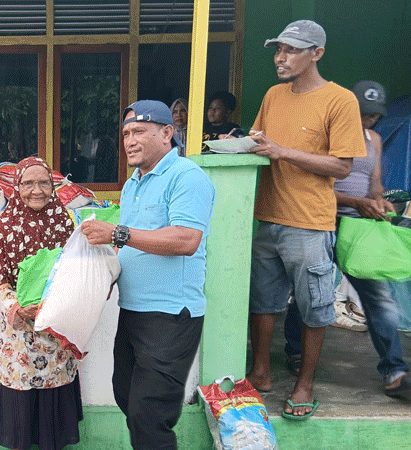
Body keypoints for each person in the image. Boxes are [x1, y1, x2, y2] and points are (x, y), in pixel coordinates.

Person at [245, 20, 366, 420]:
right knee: (261, 303)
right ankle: (261, 372)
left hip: (309, 222)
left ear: (317, 53)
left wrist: (282, 152)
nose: (281, 58)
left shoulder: (340, 100)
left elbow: (343, 166)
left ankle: (305, 384)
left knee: (314, 306)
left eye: (292, 50)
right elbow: (260, 142)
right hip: (267, 217)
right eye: (279, 50)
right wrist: (240, 144)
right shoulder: (273, 95)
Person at [81, 100, 215, 449]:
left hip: (170, 315)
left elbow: (186, 239)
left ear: (167, 133)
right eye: (126, 134)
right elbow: (127, 245)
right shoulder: (133, 184)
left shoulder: (187, 177)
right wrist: (102, 277)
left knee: (149, 414)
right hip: (133, 310)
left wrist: (117, 233)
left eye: (139, 131)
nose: (130, 141)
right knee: (126, 397)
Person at [283, 80, 411, 399]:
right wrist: (356, 202)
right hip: (320, 221)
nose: (368, 120)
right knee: (309, 291)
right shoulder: (326, 136)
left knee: (379, 297)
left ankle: (395, 372)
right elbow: (313, 187)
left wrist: (378, 201)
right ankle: (296, 351)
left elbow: (375, 183)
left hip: (358, 230)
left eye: (373, 115)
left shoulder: (374, 139)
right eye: (362, 113)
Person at [0, 156, 82, 450]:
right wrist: (17, 308)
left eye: (43, 183)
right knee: (22, 415)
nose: (37, 190)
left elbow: (76, 271)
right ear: (17, 187)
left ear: (52, 186)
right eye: (28, 184)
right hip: (21, 336)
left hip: (56, 331)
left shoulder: (63, 222)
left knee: (53, 420)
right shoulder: (5, 226)